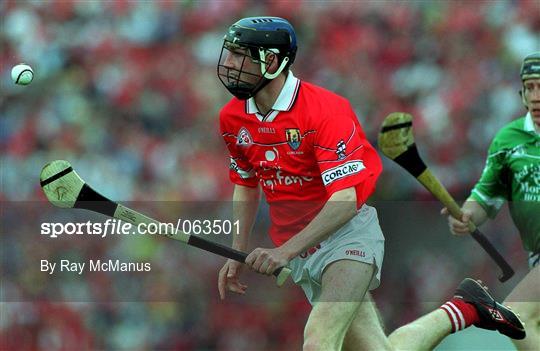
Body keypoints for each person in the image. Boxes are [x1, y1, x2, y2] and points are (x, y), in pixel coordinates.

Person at [216, 16, 526, 350]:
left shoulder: (324, 110)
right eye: (229, 52)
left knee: (318, 341)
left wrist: (283, 252)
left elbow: (346, 200)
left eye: (239, 54)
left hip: (346, 237)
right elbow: (246, 183)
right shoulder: (233, 118)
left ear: (272, 61)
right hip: (302, 251)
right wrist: (238, 250)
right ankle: (464, 309)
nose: (229, 63)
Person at [442, 52, 540, 350]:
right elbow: (485, 196)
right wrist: (466, 214)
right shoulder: (508, 141)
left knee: (517, 317)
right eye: (530, 87)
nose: (536, 96)